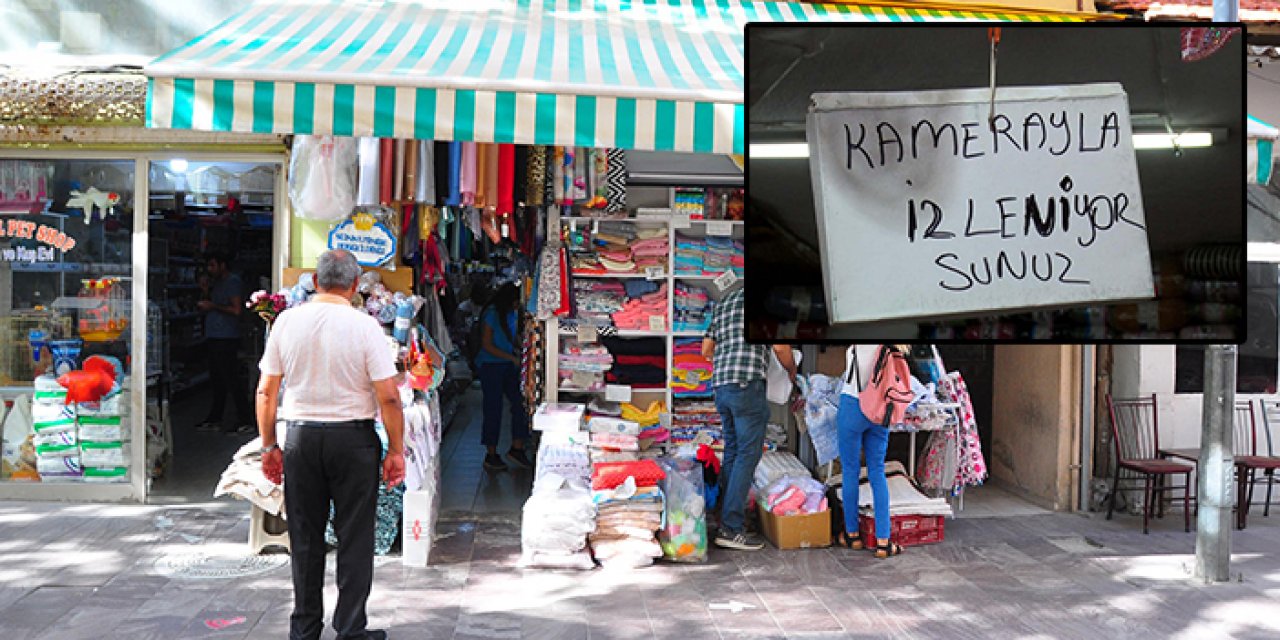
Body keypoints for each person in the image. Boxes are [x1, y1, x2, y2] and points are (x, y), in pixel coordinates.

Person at [255, 249, 405, 640]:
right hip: (353, 440)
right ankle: (351, 628)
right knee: (355, 536)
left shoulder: (286, 323)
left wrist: (269, 445)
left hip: (301, 438)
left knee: (305, 537)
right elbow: (388, 396)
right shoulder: (366, 326)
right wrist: (396, 450)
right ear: (355, 286)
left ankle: (304, 629)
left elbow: (266, 391)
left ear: (315, 281)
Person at [702, 287, 795, 551]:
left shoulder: (725, 301)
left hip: (721, 386)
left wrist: (728, 359)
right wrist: (791, 369)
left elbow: (706, 349)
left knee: (733, 452)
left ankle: (722, 520)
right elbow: (781, 346)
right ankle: (732, 528)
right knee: (747, 454)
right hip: (746, 386)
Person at [833, 344, 903, 559]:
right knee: (877, 472)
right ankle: (884, 541)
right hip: (880, 409)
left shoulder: (855, 347)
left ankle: (852, 535)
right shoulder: (894, 348)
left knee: (850, 472)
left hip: (853, 406)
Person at [476, 282, 531, 471]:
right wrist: (511, 357)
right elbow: (487, 345)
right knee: (493, 409)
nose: (518, 306)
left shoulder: (511, 313)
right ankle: (491, 454)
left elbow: (511, 337)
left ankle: (517, 447)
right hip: (490, 366)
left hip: (507, 365)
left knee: (520, 404)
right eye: (516, 302)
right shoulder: (492, 313)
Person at [196, 251, 253, 434]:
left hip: (227, 338)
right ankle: (215, 418)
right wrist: (205, 291)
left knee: (232, 379)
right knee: (217, 380)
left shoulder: (233, 282)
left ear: (222, 265)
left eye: (213, 265)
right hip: (214, 336)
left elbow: (237, 310)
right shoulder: (216, 283)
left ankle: (245, 419)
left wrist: (213, 306)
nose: (209, 270)